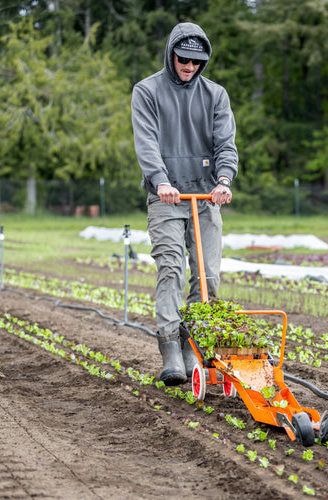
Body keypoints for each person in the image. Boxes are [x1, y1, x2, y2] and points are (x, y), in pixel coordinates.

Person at [131, 22, 238, 385]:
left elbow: (225, 144)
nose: (189, 67)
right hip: (167, 198)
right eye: (183, 59)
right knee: (171, 269)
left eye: (196, 62)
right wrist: (160, 181)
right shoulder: (146, 91)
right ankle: (170, 349)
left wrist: (224, 180)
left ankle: (194, 343)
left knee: (208, 276)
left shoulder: (215, 95)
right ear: (171, 53)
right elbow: (146, 142)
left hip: (206, 197)